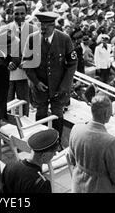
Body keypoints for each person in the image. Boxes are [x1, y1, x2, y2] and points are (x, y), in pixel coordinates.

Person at [23, 12, 78, 144]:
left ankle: (56, 143)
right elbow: (26, 62)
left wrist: (64, 86)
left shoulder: (64, 39)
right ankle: (39, 142)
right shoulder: (32, 39)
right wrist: (36, 82)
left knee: (57, 114)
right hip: (40, 87)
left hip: (59, 87)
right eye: (41, 27)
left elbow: (72, 64)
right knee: (41, 113)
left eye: (46, 28)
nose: (42, 30)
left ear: (53, 26)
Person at [68, 94, 115, 193]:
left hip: (77, 185)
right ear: (107, 113)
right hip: (100, 188)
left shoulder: (76, 129)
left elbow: (72, 159)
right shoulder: (110, 142)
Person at [0, 2, 36, 116]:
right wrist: (6, 63)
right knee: (6, 103)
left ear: (26, 13)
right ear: (12, 14)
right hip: (8, 73)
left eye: (22, 13)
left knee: (24, 103)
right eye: (16, 13)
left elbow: (36, 53)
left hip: (24, 74)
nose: (19, 16)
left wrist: (28, 62)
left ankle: (24, 126)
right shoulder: (4, 29)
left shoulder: (33, 30)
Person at [2, 129, 60, 193]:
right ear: (44, 155)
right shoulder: (41, 184)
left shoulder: (10, 166)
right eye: (54, 152)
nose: (54, 154)